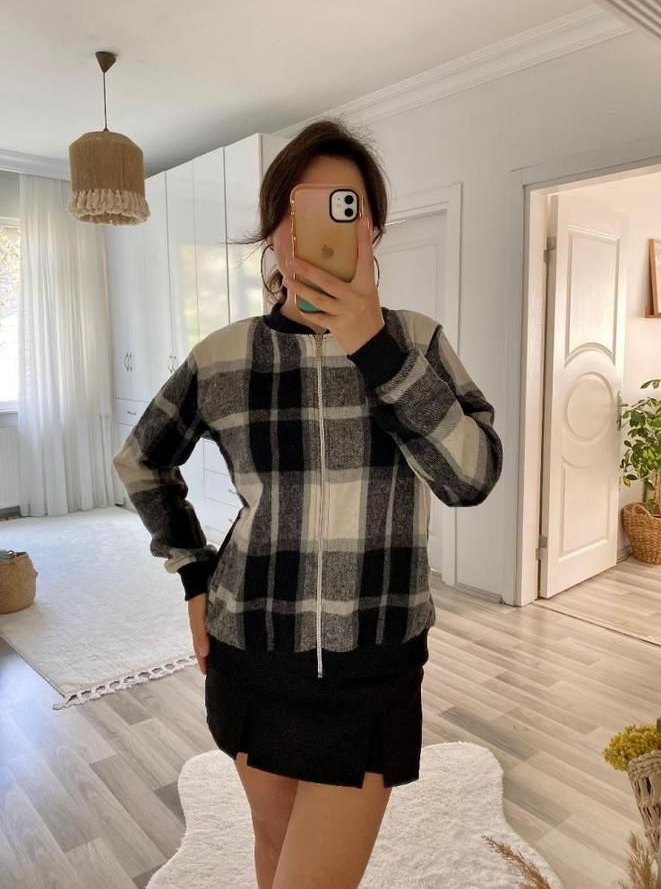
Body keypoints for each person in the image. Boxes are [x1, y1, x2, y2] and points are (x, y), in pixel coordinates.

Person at [112, 117, 503, 889]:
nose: (318, 228)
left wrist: (376, 349)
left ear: (371, 231)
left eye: (344, 207)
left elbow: (472, 477)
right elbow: (142, 459)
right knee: (273, 844)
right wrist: (195, 576)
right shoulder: (223, 357)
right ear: (274, 229)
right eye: (300, 207)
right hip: (250, 652)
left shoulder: (418, 344)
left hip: (373, 664)